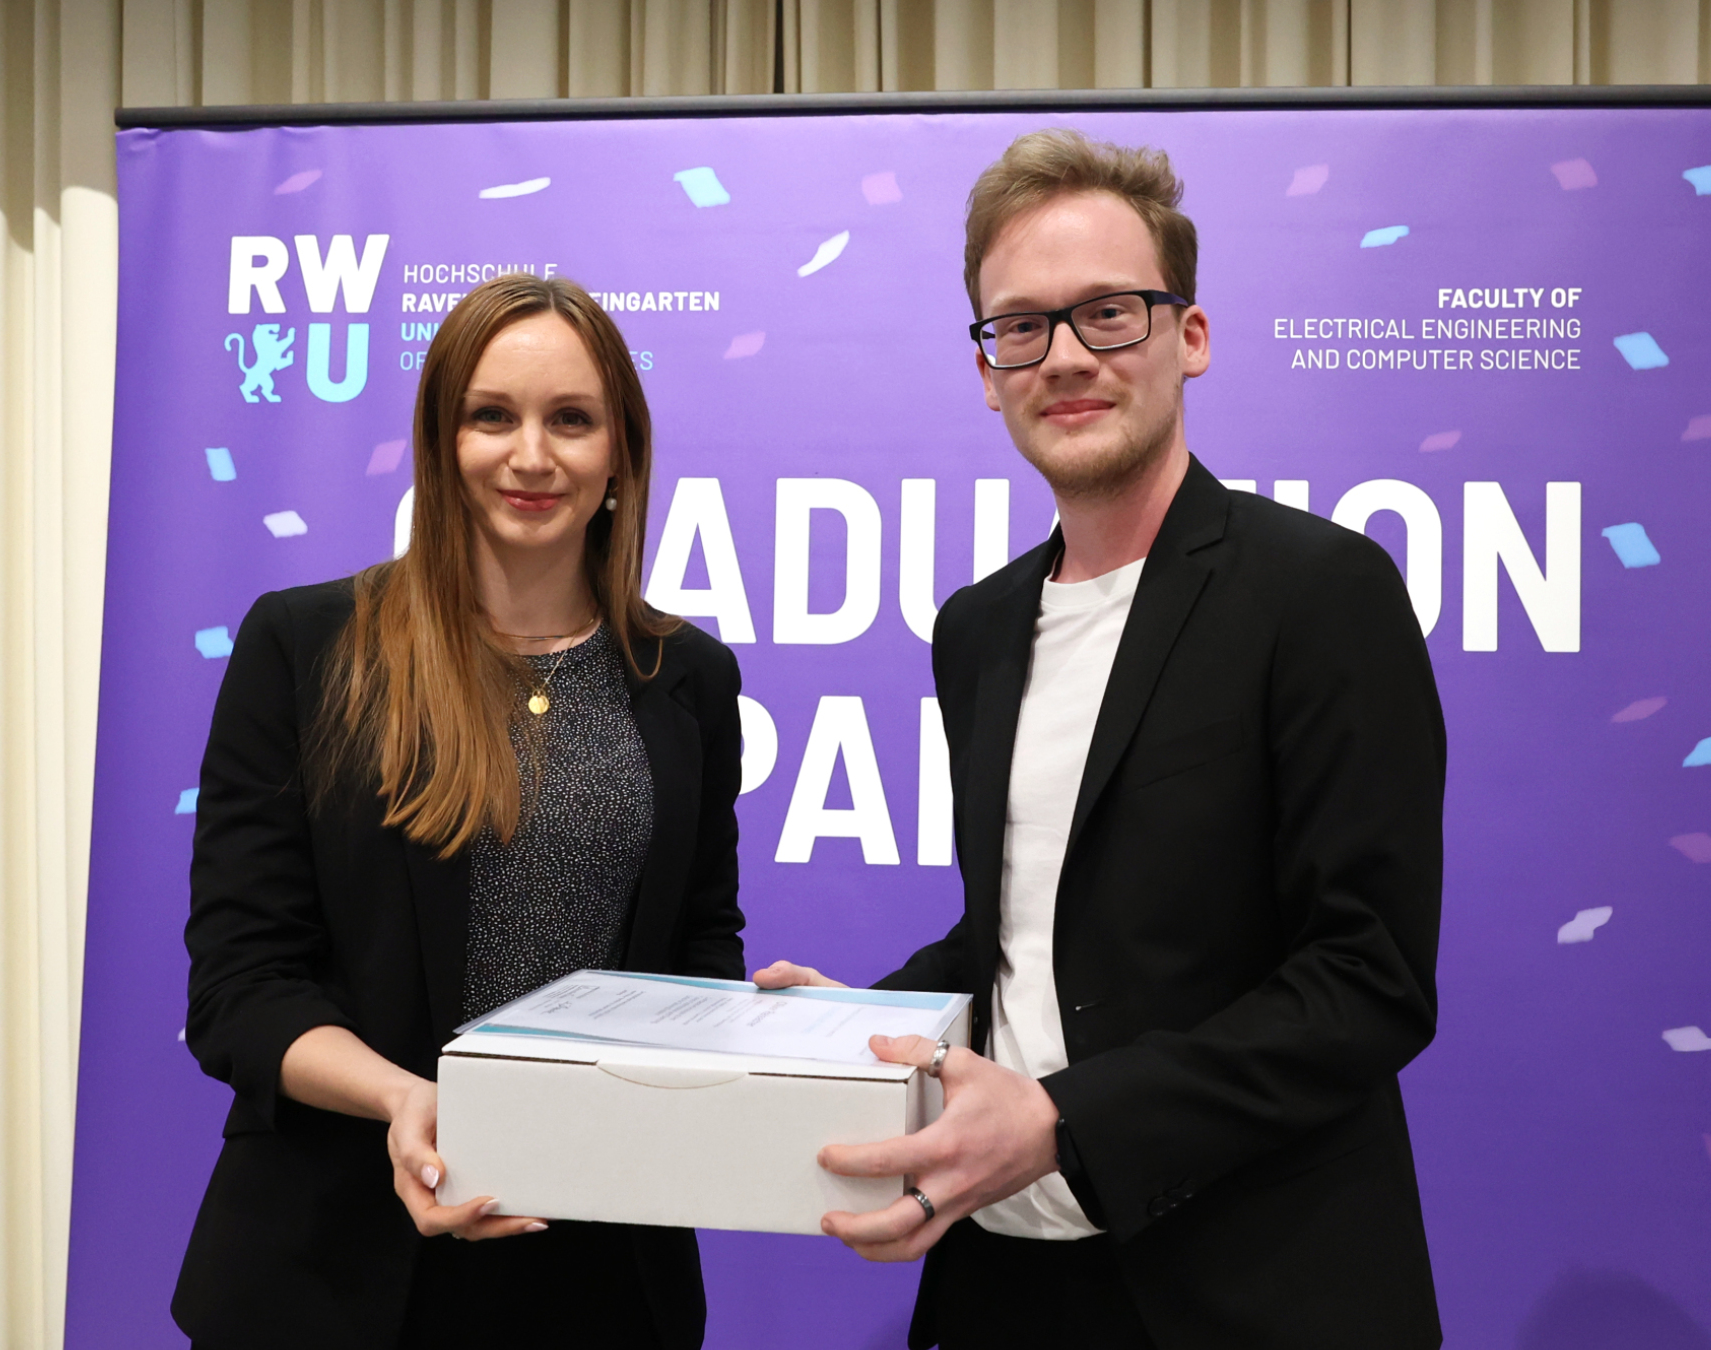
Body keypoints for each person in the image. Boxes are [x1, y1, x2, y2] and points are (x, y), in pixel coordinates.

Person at [755, 129, 1446, 1347]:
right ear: (987, 370)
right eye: (1022, 326)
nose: (1066, 356)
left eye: (1109, 314)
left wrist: (1067, 1121)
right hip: (1008, 1285)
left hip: (1254, 1291)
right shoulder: (978, 629)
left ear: (1191, 336)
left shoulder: (1319, 592)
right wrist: (858, 1024)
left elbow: (1366, 980)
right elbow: (1026, 937)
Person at [172, 274, 746, 1349]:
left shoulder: (689, 678)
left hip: (603, 1271)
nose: (531, 455)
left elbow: (698, 949)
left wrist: (760, 1037)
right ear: (442, 441)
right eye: (492, 416)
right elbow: (241, 989)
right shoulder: (306, 647)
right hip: (333, 1270)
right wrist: (408, 1101)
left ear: (620, 453)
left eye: (570, 419)